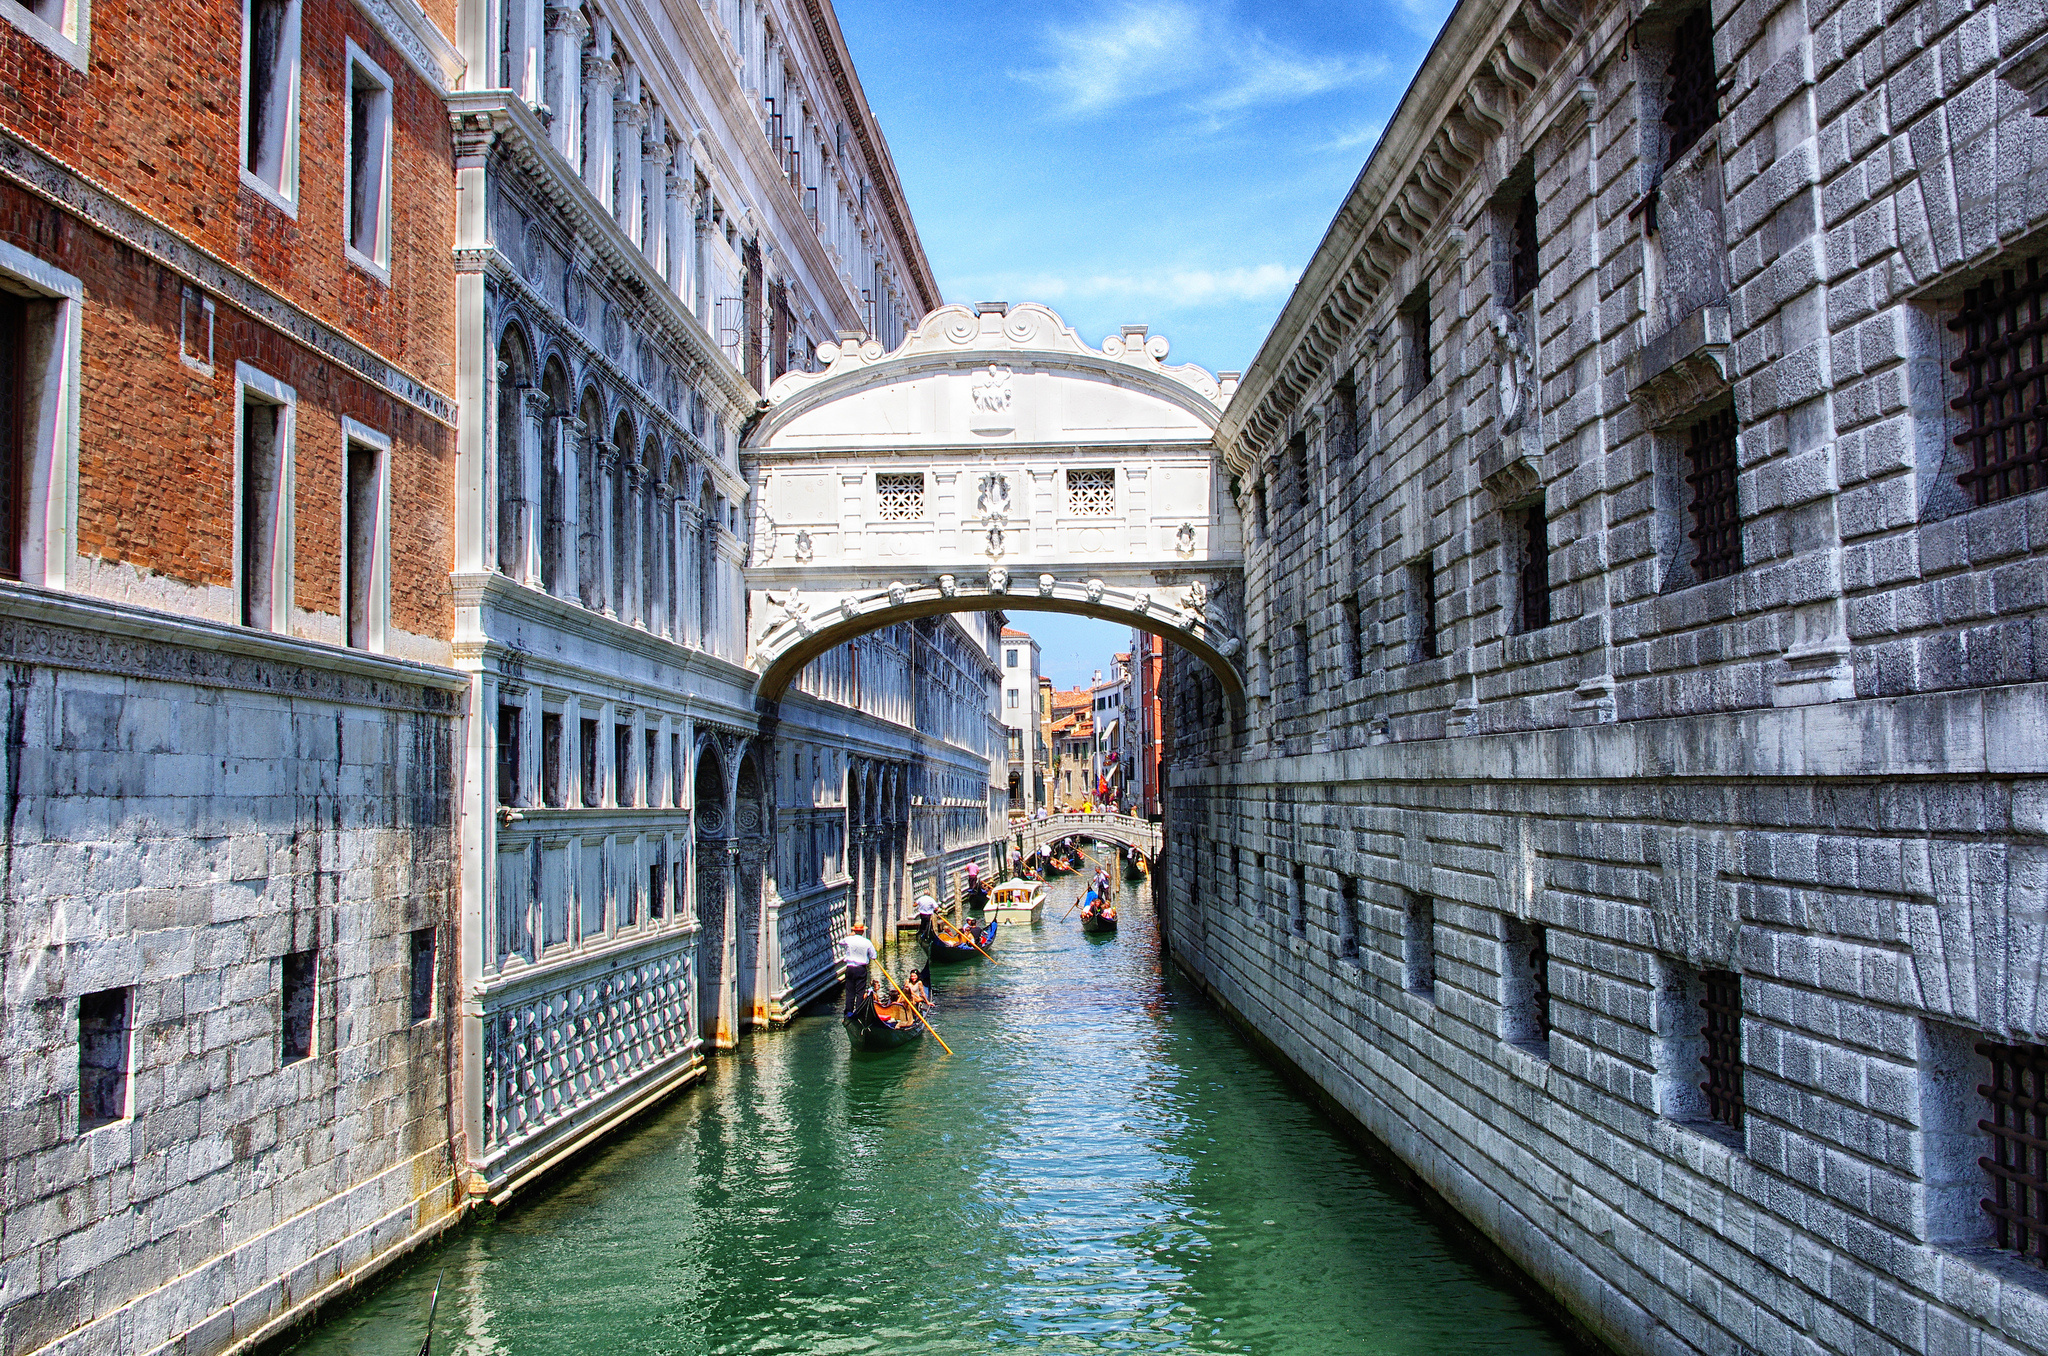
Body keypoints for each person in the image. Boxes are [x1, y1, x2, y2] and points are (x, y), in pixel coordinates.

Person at [841, 923, 877, 1016]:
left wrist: (849, 936)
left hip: (850, 969)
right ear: (863, 931)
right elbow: (874, 956)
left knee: (850, 991)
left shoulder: (848, 939)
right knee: (860, 992)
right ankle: (859, 1012)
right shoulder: (867, 942)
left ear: (854, 930)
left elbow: (840, 942)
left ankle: (848, 1012)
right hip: (861, 969)